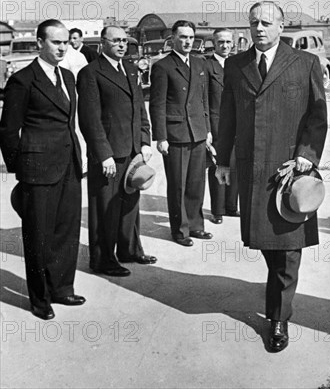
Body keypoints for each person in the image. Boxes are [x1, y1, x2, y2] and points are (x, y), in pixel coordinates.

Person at [215, 1, 327, 352]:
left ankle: (278, 317)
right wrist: (222, 160)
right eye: (253, 23)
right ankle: (277, 288)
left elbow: (317, 117)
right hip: (252, 169)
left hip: (291, 171)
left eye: (266, 22)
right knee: (267, 244)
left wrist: (305, 158)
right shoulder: (236, 65)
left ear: (281, 26)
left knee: (289, 247)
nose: (259, 28)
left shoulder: (305, 62)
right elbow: (228, 116)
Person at [0, 19, 85, 321]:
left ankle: (62, 287)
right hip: (37, 169)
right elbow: (8, 131)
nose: (62, 47)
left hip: (69, 165)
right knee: (38, 235)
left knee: (66, 229)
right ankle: (40, 298)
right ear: (39, 43)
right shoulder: (23, 80)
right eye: (55, 42)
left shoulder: (69, 78)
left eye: (65, 42)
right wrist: (20, 168)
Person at [77, 26, 156, 277]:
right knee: (104, 208)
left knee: (130, 203)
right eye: (116, 41)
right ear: (103, 43)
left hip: (132, 149)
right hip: (109, 154)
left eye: (124, 41)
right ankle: (102, 259)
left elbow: (140, 110)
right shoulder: (90, 73)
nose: (122, 45)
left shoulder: (131, 70)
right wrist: (103, 154)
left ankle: (129, 250)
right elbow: (89, 119)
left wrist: (145, 140)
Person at [149, 20, 213, 246]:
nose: (187, 41)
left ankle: (196, 225)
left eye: (191, 37)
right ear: (173, 39)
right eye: (183, 37)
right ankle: (180, 231)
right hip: (175, 134)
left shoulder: (200, 63)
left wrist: (207, 130)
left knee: (196, 183)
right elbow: (157, 105)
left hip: (197, 133)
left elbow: (204, 99)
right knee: (178, 185)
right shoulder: (162, 66)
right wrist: (161, 137)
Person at [205, 29, 239, 224]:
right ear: (214, 43)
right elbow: (203, 99)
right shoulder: (207, 65)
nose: (225, 46)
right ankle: (217, 210)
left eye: (228, 42)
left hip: (236, 124)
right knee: (218, 165)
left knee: (234, 163)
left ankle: (231, 206)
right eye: (220, 42)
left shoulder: (237, 64)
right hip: (217, 124)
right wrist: (207, 129)